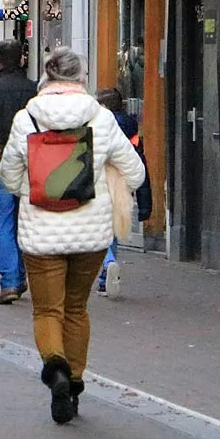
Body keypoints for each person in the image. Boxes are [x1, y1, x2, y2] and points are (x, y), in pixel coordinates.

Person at [0, 48, 146, 424]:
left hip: (41, 233)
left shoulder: (26, 119)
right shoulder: (102, 117)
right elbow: (136, 172)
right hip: (91, 233)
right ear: (82, 77)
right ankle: (75, 383)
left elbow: (10, 177)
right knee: (77, 309)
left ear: (47, 76)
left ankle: (56, 369)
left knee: (48, 310)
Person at [0, 40, 39, 305]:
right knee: (26, 221)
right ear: (23, 59)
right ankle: (23, 276)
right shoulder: (35, 90)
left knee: (3, 222)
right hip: (33, 164)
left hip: (1, 165)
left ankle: (9, 282)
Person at [93, 88, 153, 298]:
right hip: (123, 182)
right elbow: (139, 158)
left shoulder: (100, 125)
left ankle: (107, 263)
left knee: (98, 229)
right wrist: (145, 203)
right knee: (113, 228)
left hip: (102, 180)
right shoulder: (131, 126)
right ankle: (105, 278)